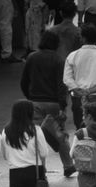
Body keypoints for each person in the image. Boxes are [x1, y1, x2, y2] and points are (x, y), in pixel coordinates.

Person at [21, 30, 75, 178]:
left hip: (35, 102)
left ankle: (41, 168)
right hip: (53, 104)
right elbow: (61, 85)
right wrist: (63, 106)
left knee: (37, 136)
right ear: (56, 44)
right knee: (59, 134)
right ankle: (68, 165)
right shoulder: (58, 60)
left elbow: (24, 81)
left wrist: (30, 97)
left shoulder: (32, 57)